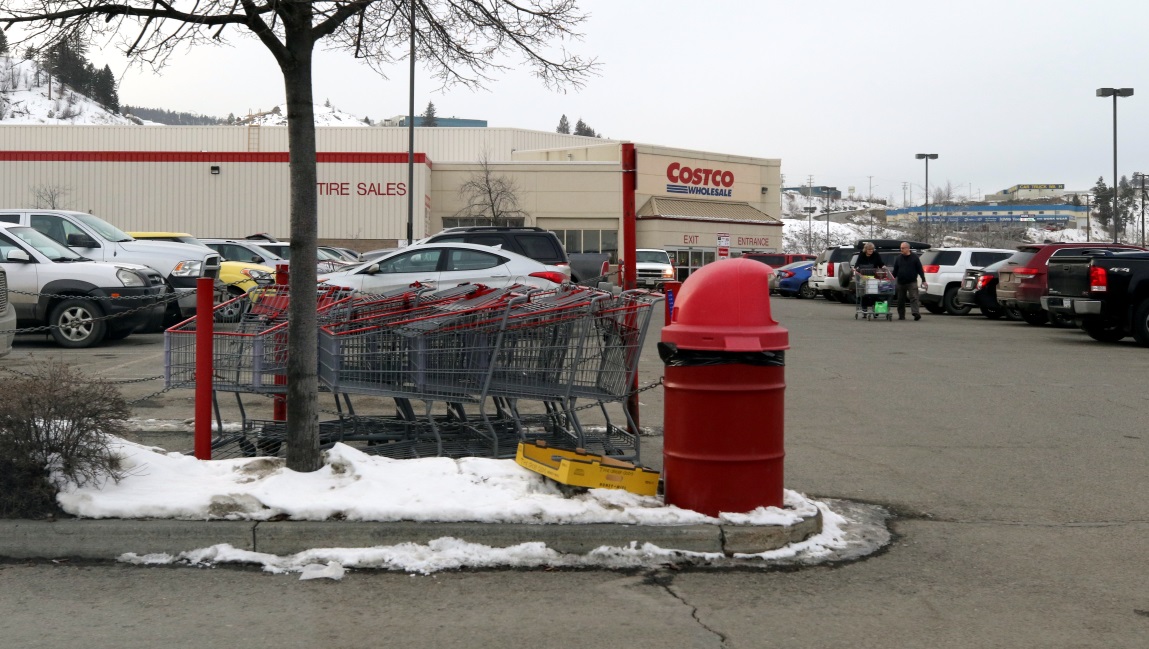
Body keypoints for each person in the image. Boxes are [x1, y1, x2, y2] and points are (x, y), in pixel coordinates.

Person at [891, 241, 926, 321]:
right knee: (900, 299)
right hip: (901, 282)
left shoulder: (915, 257)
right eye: (901, 248)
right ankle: (901, 315)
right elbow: (895, 270)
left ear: (908, 248)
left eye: (903, 248)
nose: (901, 250)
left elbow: (920, 269)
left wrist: (923, 280)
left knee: (914, 297)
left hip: (912, 281)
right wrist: (891, 279)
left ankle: (916, 313)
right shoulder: (898, 258)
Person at [853, 243, 886, 310]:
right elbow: (857, 263)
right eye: (869, 249)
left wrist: (883, 266)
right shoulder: (862, 254)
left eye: (872, 249)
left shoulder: (876, 254)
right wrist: (855, 268)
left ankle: (875, 308)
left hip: (873, 277)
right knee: (864, 293)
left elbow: (880, 263)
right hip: (863, 276)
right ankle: (864, 308)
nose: (871, 251)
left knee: (874, 293)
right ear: (866, 249)